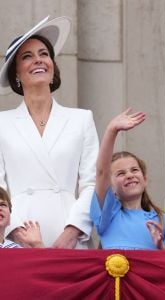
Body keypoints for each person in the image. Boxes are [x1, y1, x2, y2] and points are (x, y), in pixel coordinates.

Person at [0, 16, 99, 248]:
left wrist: (73, 231)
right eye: (27, 56)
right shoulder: (1, 122)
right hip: (18, 236)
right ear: (16, 73)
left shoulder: (81, 119)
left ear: (53, 66)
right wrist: (16, 231)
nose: (38, 60)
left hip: (69, 234)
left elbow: (92, 183)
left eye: (44, 54)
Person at [90, 109, 165, 250]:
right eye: (120, 173)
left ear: (145, 179)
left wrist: (160, 245)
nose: (129, 175)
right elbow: (102, 172)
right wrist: (112, 131)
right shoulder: (108, 215)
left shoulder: (162, 220)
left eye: (134, 170)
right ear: (112, 188)